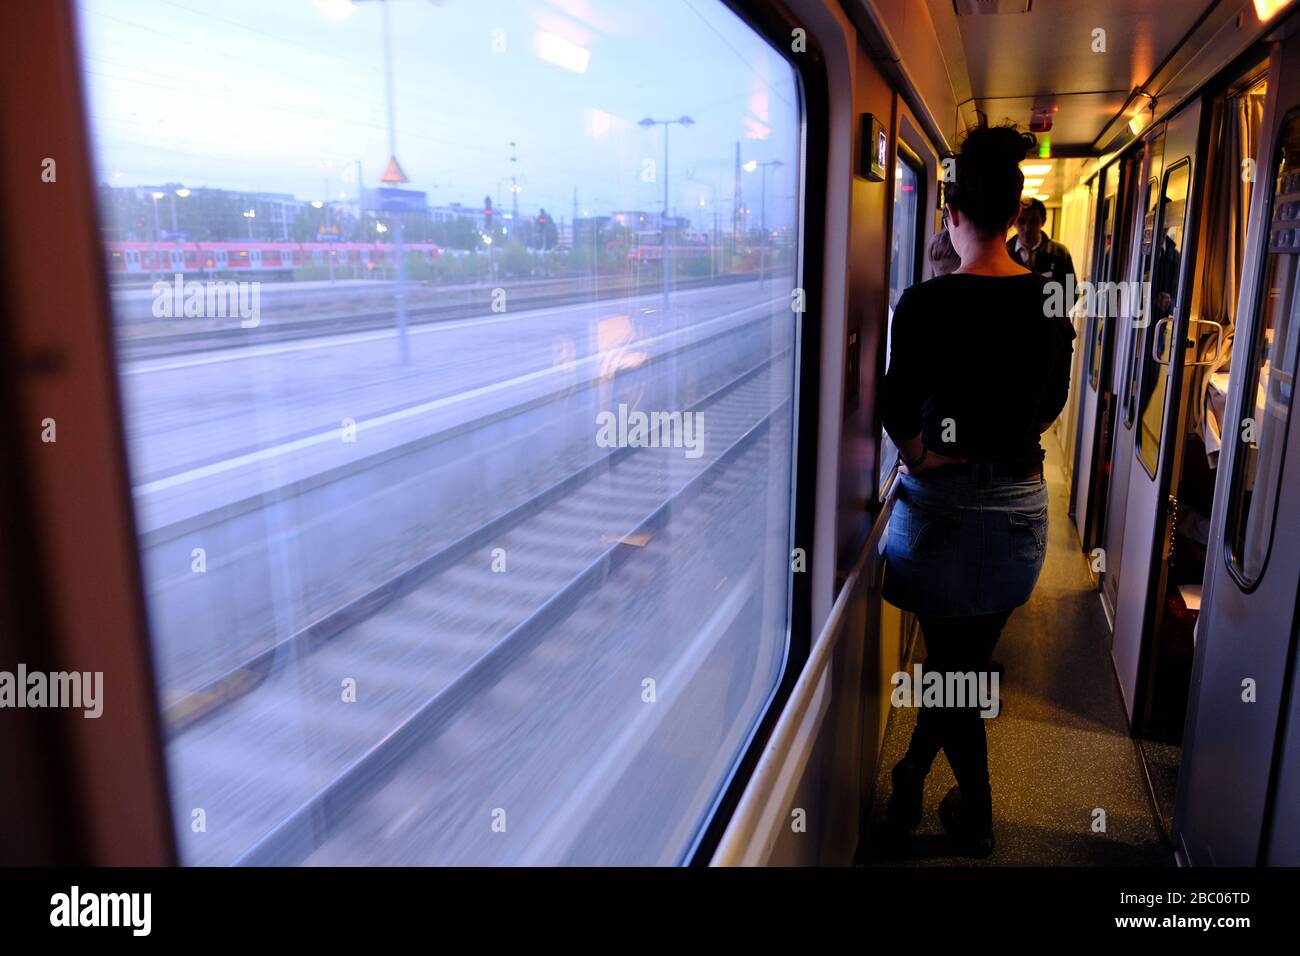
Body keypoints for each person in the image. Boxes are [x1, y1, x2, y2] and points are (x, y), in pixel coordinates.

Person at [880, 123, 1076, 857]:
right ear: (1014, 210)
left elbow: (897, 409)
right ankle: (914, 783)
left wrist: (923, 453)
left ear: (953, 213)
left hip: (944, 513)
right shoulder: (1050, 297)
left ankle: (972, 812)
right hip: (1022, 514)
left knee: (949, 667)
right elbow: (1051, 401)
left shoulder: (925, 304)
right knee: (958, 668)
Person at [1009, 196, 1076, 288]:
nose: (1027, 228)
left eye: (1033, 221)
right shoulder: (1005, 253)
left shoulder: (1060, 252)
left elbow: (1071, 292)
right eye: (1021, 221)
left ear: (1043, 221)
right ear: (1014, 222)